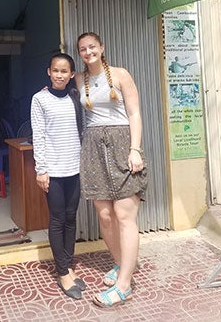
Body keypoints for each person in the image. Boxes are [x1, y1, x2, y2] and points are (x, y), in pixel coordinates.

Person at [75, 32, 148, 308]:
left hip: (121, 145)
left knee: (124, 214)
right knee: (105, 216)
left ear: (102, 48)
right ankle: (121, 264)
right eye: (82, 49)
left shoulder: (120, 74)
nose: (88, 52)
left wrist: (135, 148)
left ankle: (124, 286)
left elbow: (134, 113)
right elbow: (59, 87)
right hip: (93, 147)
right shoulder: (79, 80)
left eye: (92, 46)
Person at [31, 53, 85, 300]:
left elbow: (81, 130)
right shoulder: (39, 99)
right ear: (49, 72)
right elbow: (39, 135)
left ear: (72, 75)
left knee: (71, 218)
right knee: (57, 219)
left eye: (65, 71)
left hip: (74, 167)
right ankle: (62, 272)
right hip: (52, 170)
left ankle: (69, 265)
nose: (60, 75)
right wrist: (41, 170)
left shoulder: (75, 97)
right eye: (56, 70)